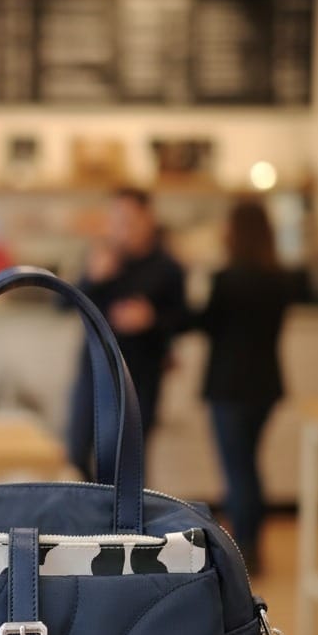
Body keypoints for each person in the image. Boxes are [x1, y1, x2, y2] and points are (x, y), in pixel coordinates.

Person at [193, 199, 308, 574]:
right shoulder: (281, 279)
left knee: (237, 469)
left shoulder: (226, 279)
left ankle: (243, 548)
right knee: (249, 467)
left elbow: (207, 323)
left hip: (229, 385)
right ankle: (251, 543)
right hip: (266, 386)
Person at [67, 187, 187, 478]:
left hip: (141, 376)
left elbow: (184, 320)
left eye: (130, 219)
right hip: (94, 371)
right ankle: (90, 519)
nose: (122, 227)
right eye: (116, 219)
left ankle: (125, 524)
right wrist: (93, 279)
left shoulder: (168, 268)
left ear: (148, 218)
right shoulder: (101, 258)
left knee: (129, 460)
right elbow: (62, 304)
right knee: (75, 451)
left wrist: (151, 318)